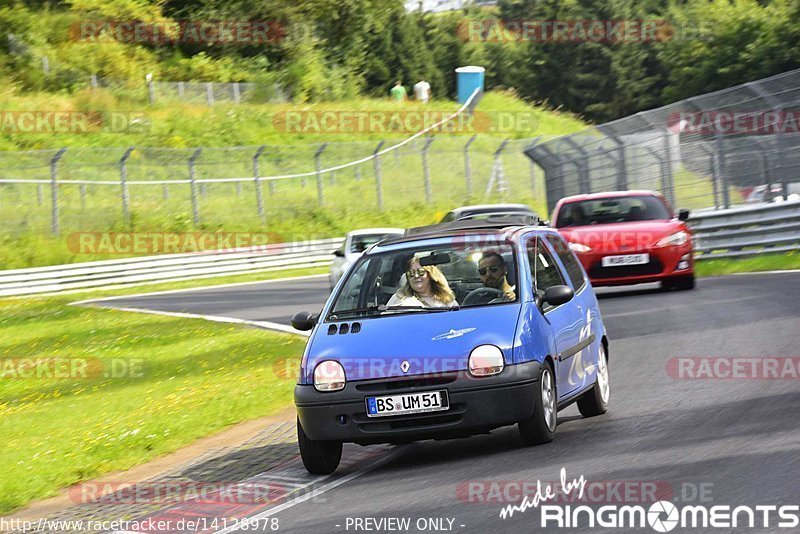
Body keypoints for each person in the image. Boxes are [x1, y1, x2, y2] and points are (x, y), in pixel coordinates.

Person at [387, 256, 457, 308]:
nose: (416, 276)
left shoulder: (446, 299)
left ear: (430, 275)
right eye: (411, 273)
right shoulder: (398, 297)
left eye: (420, 272)